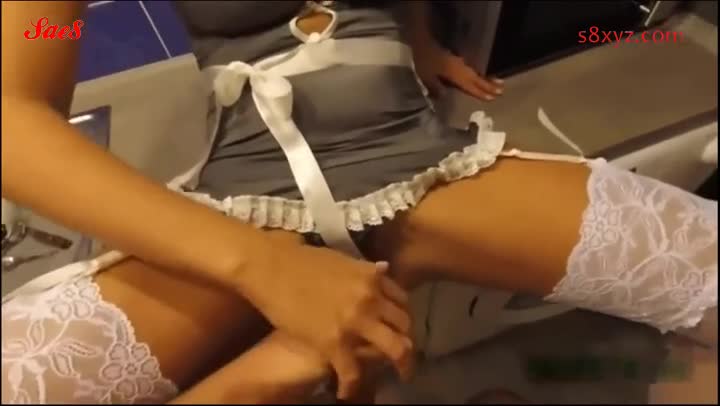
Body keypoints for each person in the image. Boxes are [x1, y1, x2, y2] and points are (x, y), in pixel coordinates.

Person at [1, 0, 716, 404]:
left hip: (430, 170)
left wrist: (418, 42)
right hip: (249, 207)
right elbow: (11, 115)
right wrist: (263, 268)